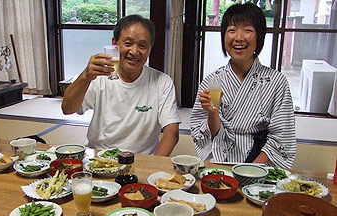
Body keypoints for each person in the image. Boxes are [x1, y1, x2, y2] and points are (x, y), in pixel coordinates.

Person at [190, 3, 296, 169]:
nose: (238, 37)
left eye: (247, 30)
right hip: (220, 165)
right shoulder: (212, 81)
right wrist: (212, 113)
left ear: (259, 36)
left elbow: (282, 136)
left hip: (260, 167)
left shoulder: (277, 82)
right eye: (232, 30)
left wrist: (252, 169)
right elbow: (202, 133)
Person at [62, 15, 180, 156]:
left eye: (142, 46)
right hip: (98, 159)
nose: (134, 51)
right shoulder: (97, 75)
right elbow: (67, 109)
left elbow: (171, 133)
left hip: (139, 161)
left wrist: (153, 166)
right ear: (114, 43)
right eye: (128, 43)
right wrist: (85, 76)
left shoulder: (162, 82)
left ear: (150, 49)